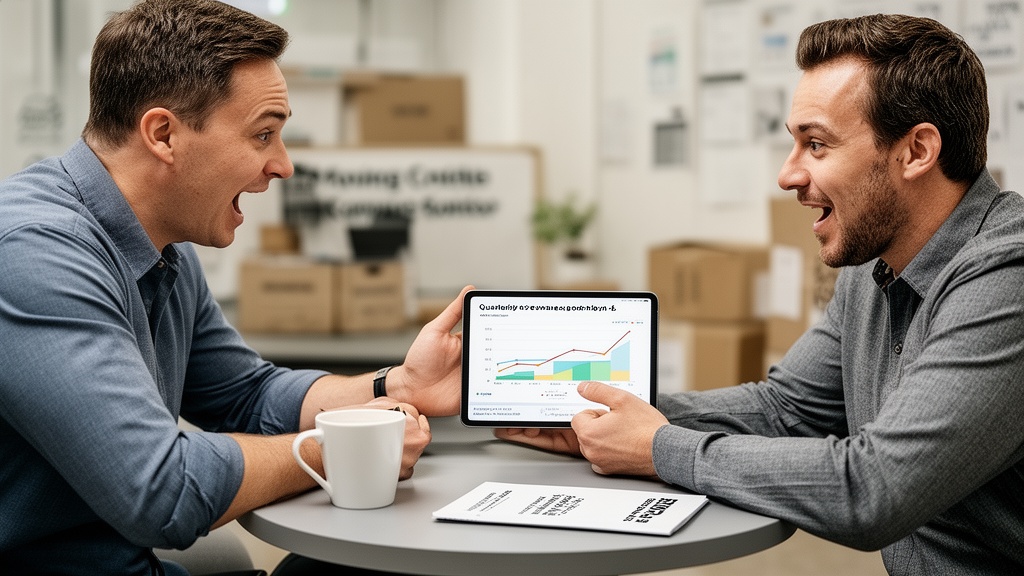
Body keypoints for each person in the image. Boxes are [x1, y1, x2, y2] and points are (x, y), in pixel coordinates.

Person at [497, 14, 1024, 575]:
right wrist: (604, 416)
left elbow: (874, 489)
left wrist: (658, 447)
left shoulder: (1007, 275)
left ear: (916, 151)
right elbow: (787, 410)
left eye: (816, 144)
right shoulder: (876, 264)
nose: (787, 175)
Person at [0, 1, 467, 574]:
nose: (283, 166)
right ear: (163, 134)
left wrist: (398, 384)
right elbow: (161, 492)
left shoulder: (165, 248)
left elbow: (245, 396)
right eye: (263, 135)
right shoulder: (33, 252)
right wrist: (347, 450)